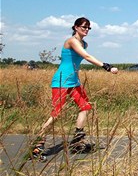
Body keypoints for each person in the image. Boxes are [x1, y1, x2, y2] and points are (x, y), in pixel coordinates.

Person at [30, 17, 118, 160]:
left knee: (85, 107)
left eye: (89, 28)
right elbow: (86, 56)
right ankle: (37, 146)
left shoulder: (84, 43)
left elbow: (79, 60)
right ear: (76, 27)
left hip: (74, 82)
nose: (86, 30)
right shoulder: (72, 41)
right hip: (61, 81)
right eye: (84, 27)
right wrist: (106, 66)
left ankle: (77, 141)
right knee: (56, 114)